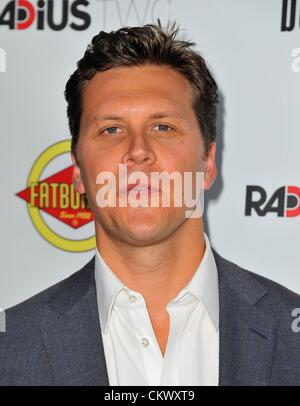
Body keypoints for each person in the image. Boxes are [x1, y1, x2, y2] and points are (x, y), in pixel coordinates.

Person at [0, 21, 299, 386]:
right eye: (111, 129)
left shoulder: (291, 334)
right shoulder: (9, 348)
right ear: (77, 170)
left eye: (163, 127)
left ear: (207, 162)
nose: (138, 152)